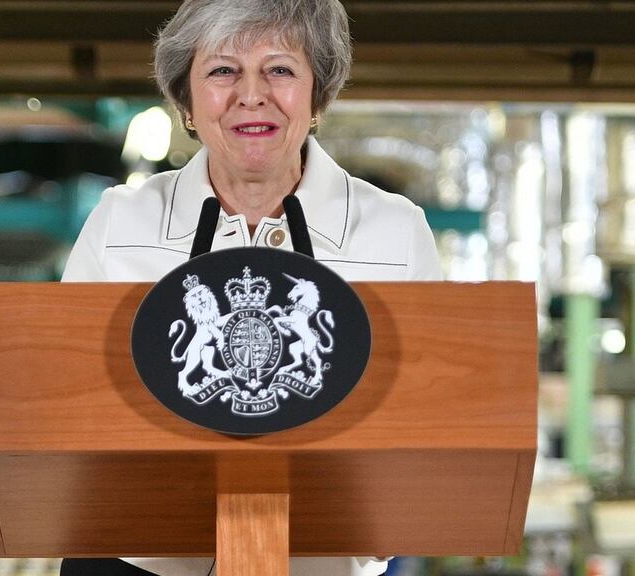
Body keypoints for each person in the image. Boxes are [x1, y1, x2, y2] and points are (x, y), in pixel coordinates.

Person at [61, 0, 442, 574]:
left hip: (317, 562)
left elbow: (426, 419)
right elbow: (63, 404)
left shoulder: (396, 229)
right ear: (186, 100)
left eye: (280, 69)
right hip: (134, 560)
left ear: (318, 94)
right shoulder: (121, 221)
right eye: (222, 71)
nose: (252, 94)